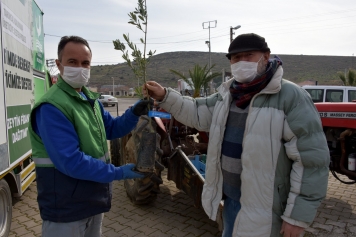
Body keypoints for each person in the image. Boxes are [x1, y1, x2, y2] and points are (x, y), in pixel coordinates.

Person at [143, 33, 329, 237]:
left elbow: (311, 161)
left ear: (265, 57)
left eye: (248, 56)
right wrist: (164, 96)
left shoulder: (290, 97)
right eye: (235, 58)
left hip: (268, 211)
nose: (241, 62)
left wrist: (296, 217)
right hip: (231, 201)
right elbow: (197, 111)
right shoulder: (228, 94)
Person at [29, 35, 150, 237]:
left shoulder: (89, 100)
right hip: (66, 210)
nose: (80, 68)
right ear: (59, 65)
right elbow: (71, 161)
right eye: (72, 62)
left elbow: (112, 129)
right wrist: (118, 173)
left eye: (85, 63)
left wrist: (134, 113)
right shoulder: (52, 107)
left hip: (92, 201)